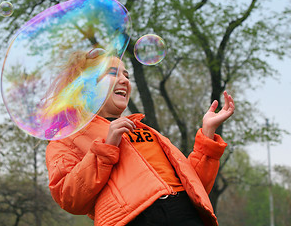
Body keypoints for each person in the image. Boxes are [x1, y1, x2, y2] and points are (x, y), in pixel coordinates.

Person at [45, 48, 235, 226]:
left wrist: (208, 133)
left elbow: (195, 186)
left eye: (126, 75)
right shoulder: (67, 138)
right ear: (84, 86)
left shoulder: (145, 130)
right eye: (113, 73)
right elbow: (68, 197)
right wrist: (106, 148)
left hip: (185, 214)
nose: (125, 80)